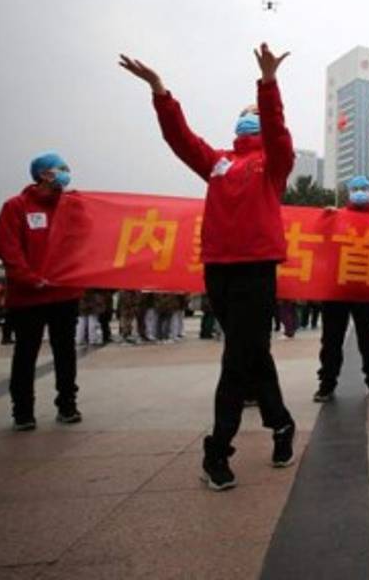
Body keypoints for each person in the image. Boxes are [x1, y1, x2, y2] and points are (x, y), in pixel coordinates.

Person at [120, 43, 297, 491]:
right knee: (251, 351)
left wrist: (268, 85)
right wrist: (160, 91)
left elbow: (276, 131)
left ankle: (217, 450)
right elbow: (180, 138)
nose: (248, 117)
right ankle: (281, 424)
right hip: (218, 267)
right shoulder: (217, 161)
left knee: (236, 359)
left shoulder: (273, 164)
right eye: (245, 112)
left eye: (252, 113)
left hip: (257, 267)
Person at [0, 153, 85, 431]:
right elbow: (9, 248)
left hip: (64, 293)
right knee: (26, 352)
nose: (65, 173)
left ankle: (67, 404)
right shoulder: (16, 207)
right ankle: (22, 411)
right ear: (43, 174)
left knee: (65, 351)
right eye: (60, 169)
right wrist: (29, 278)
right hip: (29, 295)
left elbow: (85, 243)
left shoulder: (74, 206)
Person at [313, 176, 369, 402]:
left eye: (364, 189)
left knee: (368, 337)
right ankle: (327, 383)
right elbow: (317, 241)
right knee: (331, 338)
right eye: (355, 189)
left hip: (365, 287)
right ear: (348, 193)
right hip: (337, 287)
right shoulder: (337, 217)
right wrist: (324, 219)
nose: (360, 193)